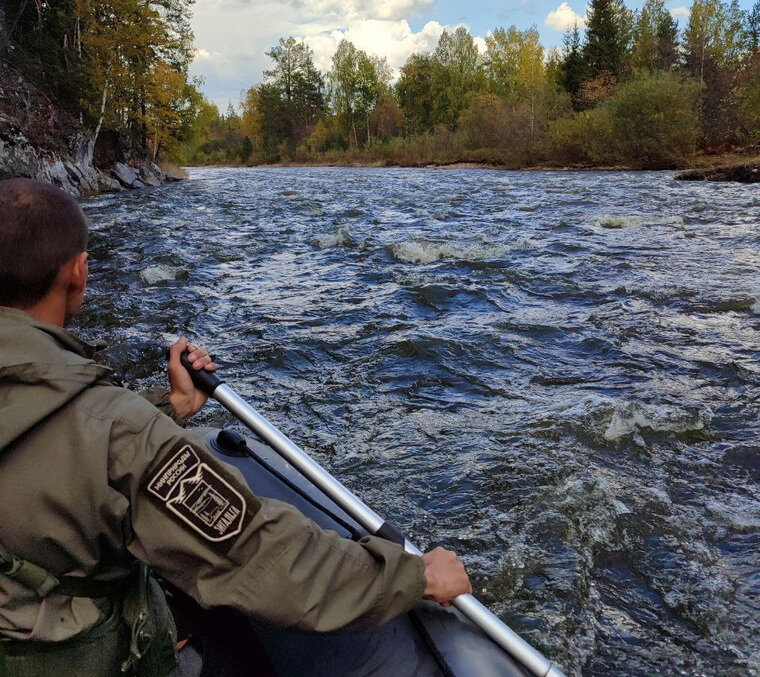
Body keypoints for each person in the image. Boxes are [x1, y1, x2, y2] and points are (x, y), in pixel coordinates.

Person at [0, 178, 472, 676]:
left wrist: (174, 405)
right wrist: (412, 577)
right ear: (79, 273)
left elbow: (63, 444)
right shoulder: (122, 433)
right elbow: (259, 557)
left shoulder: (116, 429)